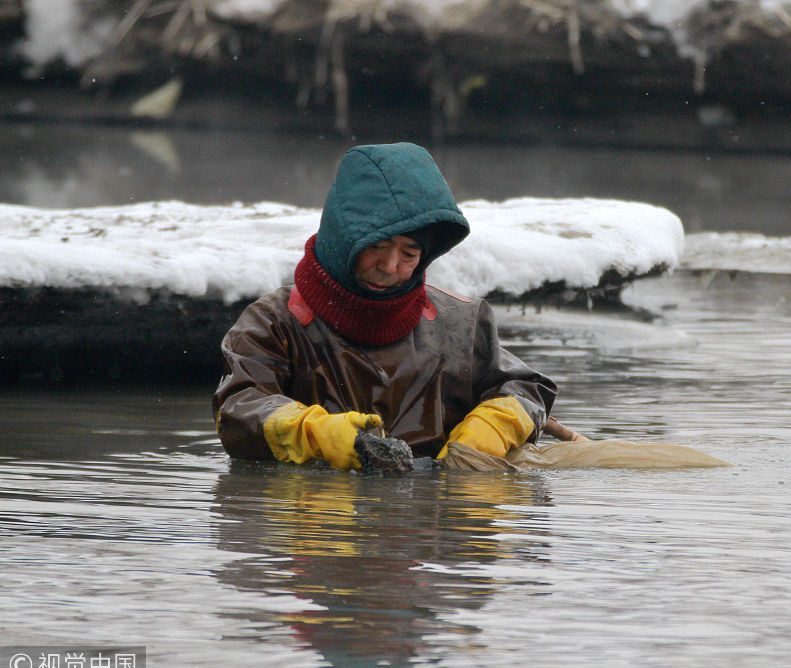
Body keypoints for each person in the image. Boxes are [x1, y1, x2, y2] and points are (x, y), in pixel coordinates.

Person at [213, 142, 557, 471]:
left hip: (434, 520)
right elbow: (239, 408)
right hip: (322, 520)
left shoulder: (462, 322)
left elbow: (526, 387)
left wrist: (497, 425)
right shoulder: (273, 321)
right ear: (343, 237)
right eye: (376, 246)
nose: (391, 266)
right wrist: (317, 434)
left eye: (409, 254)